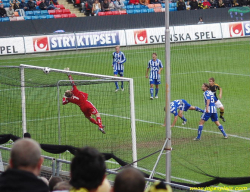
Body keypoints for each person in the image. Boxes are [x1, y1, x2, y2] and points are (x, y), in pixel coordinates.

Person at [62, 70, 105, 134]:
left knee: (88, 117)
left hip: (82, 107)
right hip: (86, 103)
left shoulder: (69, 99)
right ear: (70, 92)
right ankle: (100, 126)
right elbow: (72, 82)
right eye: (68, 90)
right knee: (97, 114)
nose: (68, 89)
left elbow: (63, 103)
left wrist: (64, 97)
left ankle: (98, 124)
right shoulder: (75, 90)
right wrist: (68, 74)